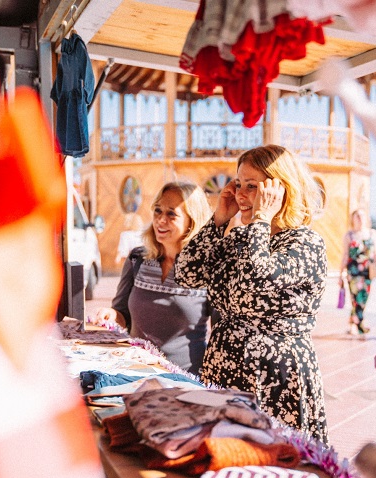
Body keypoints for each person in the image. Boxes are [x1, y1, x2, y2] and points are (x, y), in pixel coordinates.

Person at [175, 144, 330, 444]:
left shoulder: (306, 243)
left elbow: (255, 282)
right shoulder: (241, 238)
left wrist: (261, 219)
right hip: (226, 369)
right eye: (238, 184)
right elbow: (187, 273)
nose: (241, 195)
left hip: (275, 378)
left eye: (252, 186)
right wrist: (218, 221)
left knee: (273, 461)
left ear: (280, 190)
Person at [95, 182, 213, 375]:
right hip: (134, 374)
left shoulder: (208, 269)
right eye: (158, 211)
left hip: (186, 379)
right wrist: (111, 315)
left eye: (171, 214)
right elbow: (122, 314)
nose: (160, 220)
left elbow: (221, 333)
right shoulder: (137, 259)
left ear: (192, 221)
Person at [340, 208, 376, 336]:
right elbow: (345, 255)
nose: (360, 219)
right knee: (356, 298)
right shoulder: (349, 235)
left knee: (364, 298)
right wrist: (341, 274)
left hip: (367, 271)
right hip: (353, 272)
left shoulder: (372, 234)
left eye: (362, 216)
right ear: (353, 219)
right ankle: (360, 325)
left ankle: (352, 322)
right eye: (357, 216)